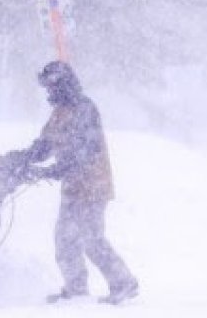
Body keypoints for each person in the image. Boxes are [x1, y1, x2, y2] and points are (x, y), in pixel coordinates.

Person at [17, 60, 138, 305]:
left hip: (93, 184)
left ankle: (124, 282)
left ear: (63, 85)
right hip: (73, 187)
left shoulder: (85, 109)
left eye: (51, 88)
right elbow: (44, 145)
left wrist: (55, 170)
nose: (49, 93)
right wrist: (20, 160)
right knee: (65, 238)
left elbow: (84, 150)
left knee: (91, 238)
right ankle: (76, 288)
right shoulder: (59, 112)